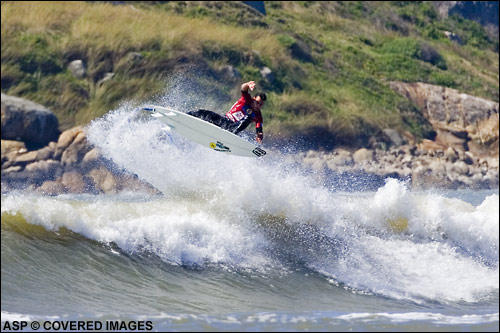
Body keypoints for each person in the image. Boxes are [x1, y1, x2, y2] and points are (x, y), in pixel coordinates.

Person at [187, 81, 266, 143]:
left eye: (261, 104)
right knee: (203, 113)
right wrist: (248, 84)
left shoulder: (258, 116)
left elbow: (259, 129)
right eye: (257, 102)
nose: (258, 105)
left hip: (233, 129)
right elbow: (243, 88)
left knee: (248, 118)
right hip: (224, 120)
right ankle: (185, 116)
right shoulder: (246, 99)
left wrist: (260, 136)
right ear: (253, 98)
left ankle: (231, 135)